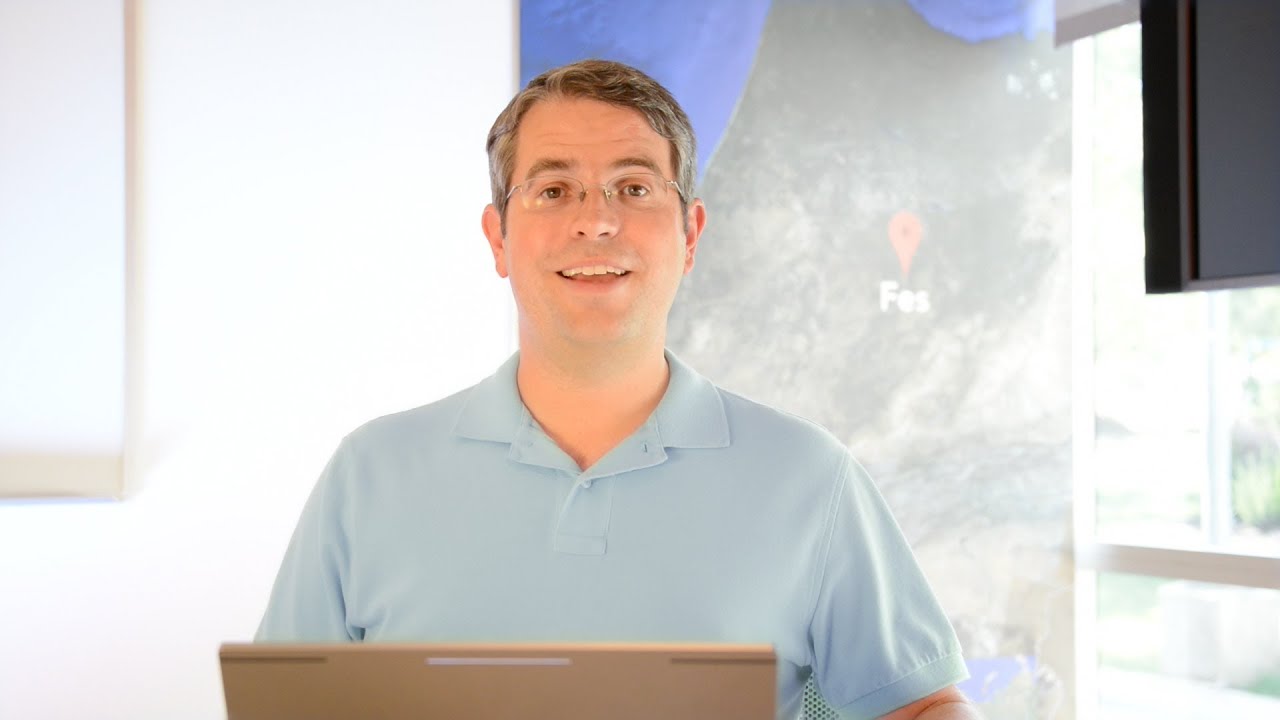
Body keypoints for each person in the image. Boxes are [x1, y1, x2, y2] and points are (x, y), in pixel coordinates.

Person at [256, 59, 979, 720]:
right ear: (498, 238)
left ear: (690, 234)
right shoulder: (370, 474)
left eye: (633, 188)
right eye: (553, 190)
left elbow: (921, 707)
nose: (595, 220)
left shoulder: (809, 478)